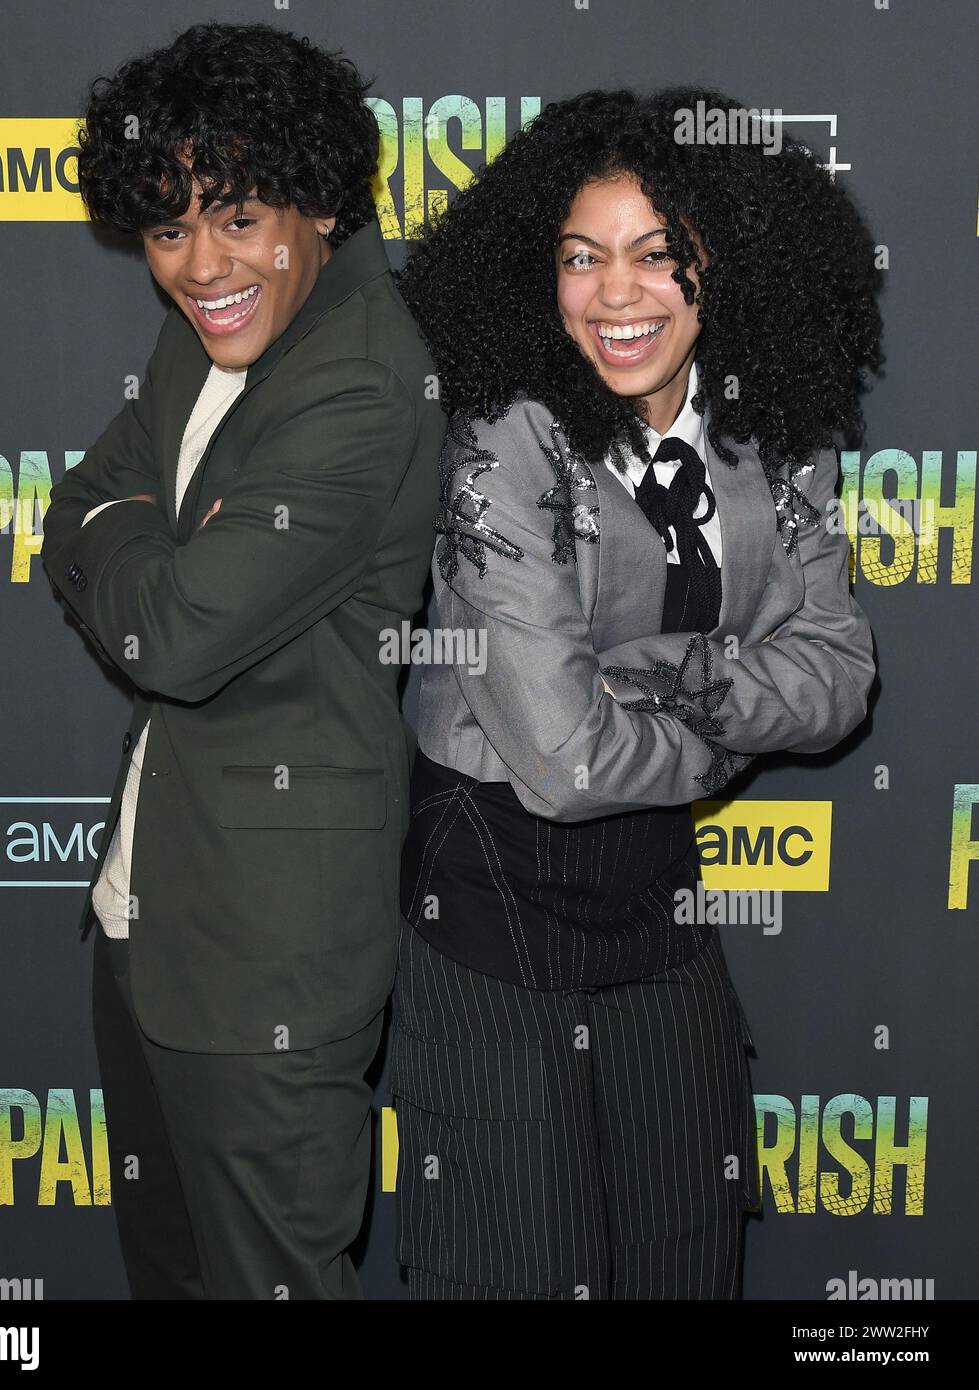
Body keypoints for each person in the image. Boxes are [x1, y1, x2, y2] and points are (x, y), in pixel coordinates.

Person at [389, 86, 881, 1299]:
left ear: (730, 265)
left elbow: (840, 676)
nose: (617, 296)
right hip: (488, 899)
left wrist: (671, 680)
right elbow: (562, 763)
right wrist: (720, 724)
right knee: (518, 1267)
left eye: (660, 257)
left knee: (682, 1252)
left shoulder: (776, 435)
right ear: (535, 272)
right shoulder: (504, 441)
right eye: (580, 258)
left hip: (656, 904)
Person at [40, 22, 444, 1299]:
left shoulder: (361, 378)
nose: (201, 267)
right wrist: (137, 536)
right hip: (143, 913)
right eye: (169, 232)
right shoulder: (213, 323)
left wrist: (131, 547)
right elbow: (79, 504)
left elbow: (179, 633)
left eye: (237, 218)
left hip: (266, 962)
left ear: (317, 203)